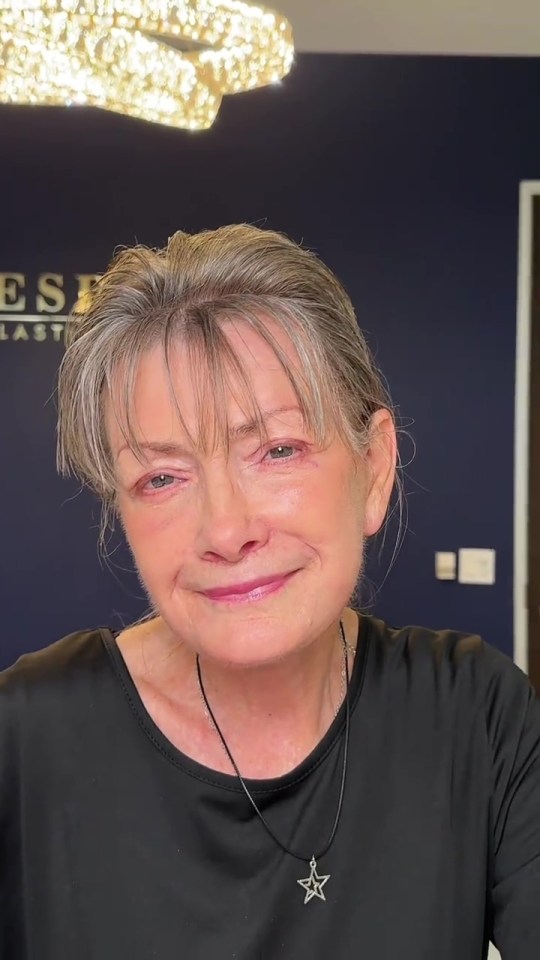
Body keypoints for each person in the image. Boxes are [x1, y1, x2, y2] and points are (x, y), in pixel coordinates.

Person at [0, 225, 538, 960]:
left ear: (374, 468)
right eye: (162, 477)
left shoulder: (478, 715)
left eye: (277, 450)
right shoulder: (24, 737)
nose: (225, 529)